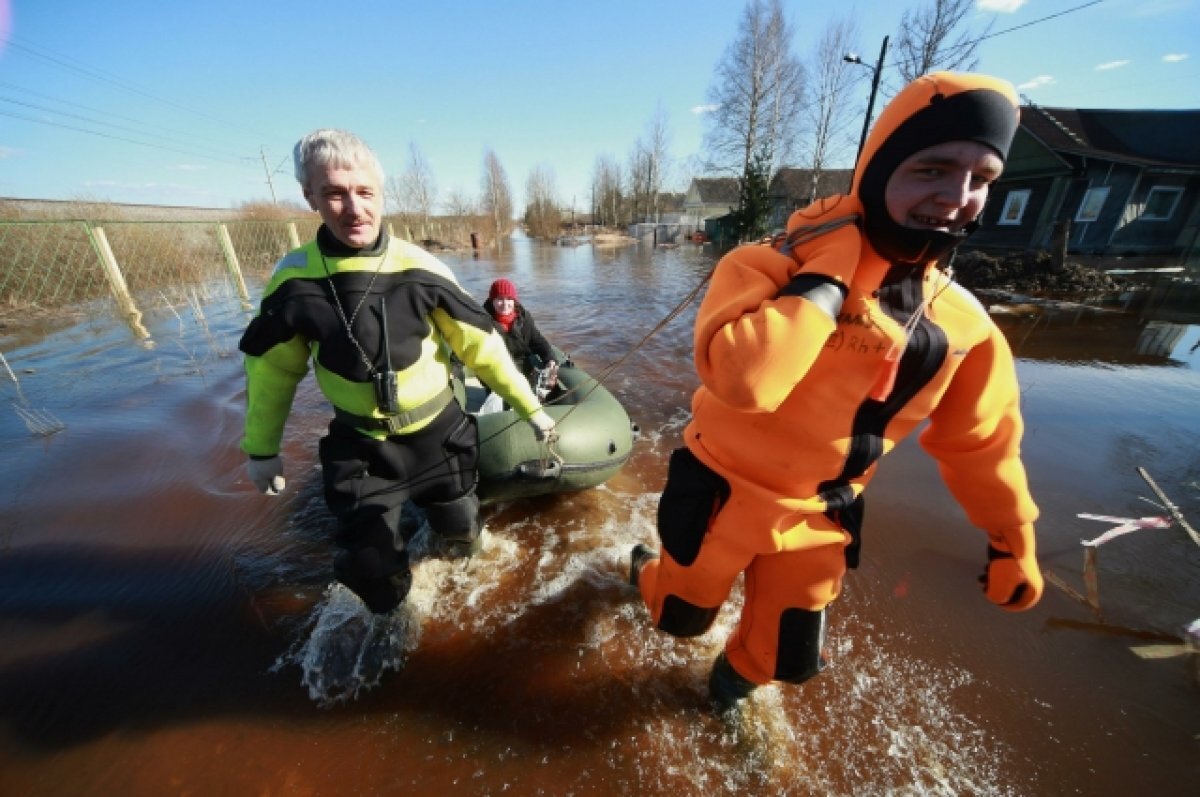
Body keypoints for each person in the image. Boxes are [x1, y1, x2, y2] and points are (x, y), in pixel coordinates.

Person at [629, 72, 1044, 712]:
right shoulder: (767, 265)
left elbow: (983, 444)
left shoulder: (964, 324)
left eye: (982, 179)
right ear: (877, 173)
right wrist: (827, 270)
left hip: (821, 515)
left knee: (784, 660)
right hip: (718, 494)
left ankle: (721, 703)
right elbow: (748, 383)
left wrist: (1011, 538)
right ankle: (646, 575)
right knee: (679, 619)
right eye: (933, 169)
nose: (958, 197)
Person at [239, 128, 556, 616]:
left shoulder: (421, 268)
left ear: (381, 194)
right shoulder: (293, 281)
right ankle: (398, 624)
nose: (354, 208)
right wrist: (262, 449)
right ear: (310, 198)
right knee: (373, 576)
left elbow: (483, 348)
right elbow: (271, 371)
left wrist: (530, 407)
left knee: (461, 538)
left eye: (365, 192)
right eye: (335, 194)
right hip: (362, 447)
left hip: (439, 437)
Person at [482, 278, 560, 399]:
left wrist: (550, 360)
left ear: (514, 301)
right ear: (492, 300)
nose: (505, 303)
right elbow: (468, 347)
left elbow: (539, 342)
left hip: (522, 368)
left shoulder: (524, 319)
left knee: (548, 391)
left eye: (508, 299)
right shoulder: (482, 320)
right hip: (496, 373)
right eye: (499, 299)